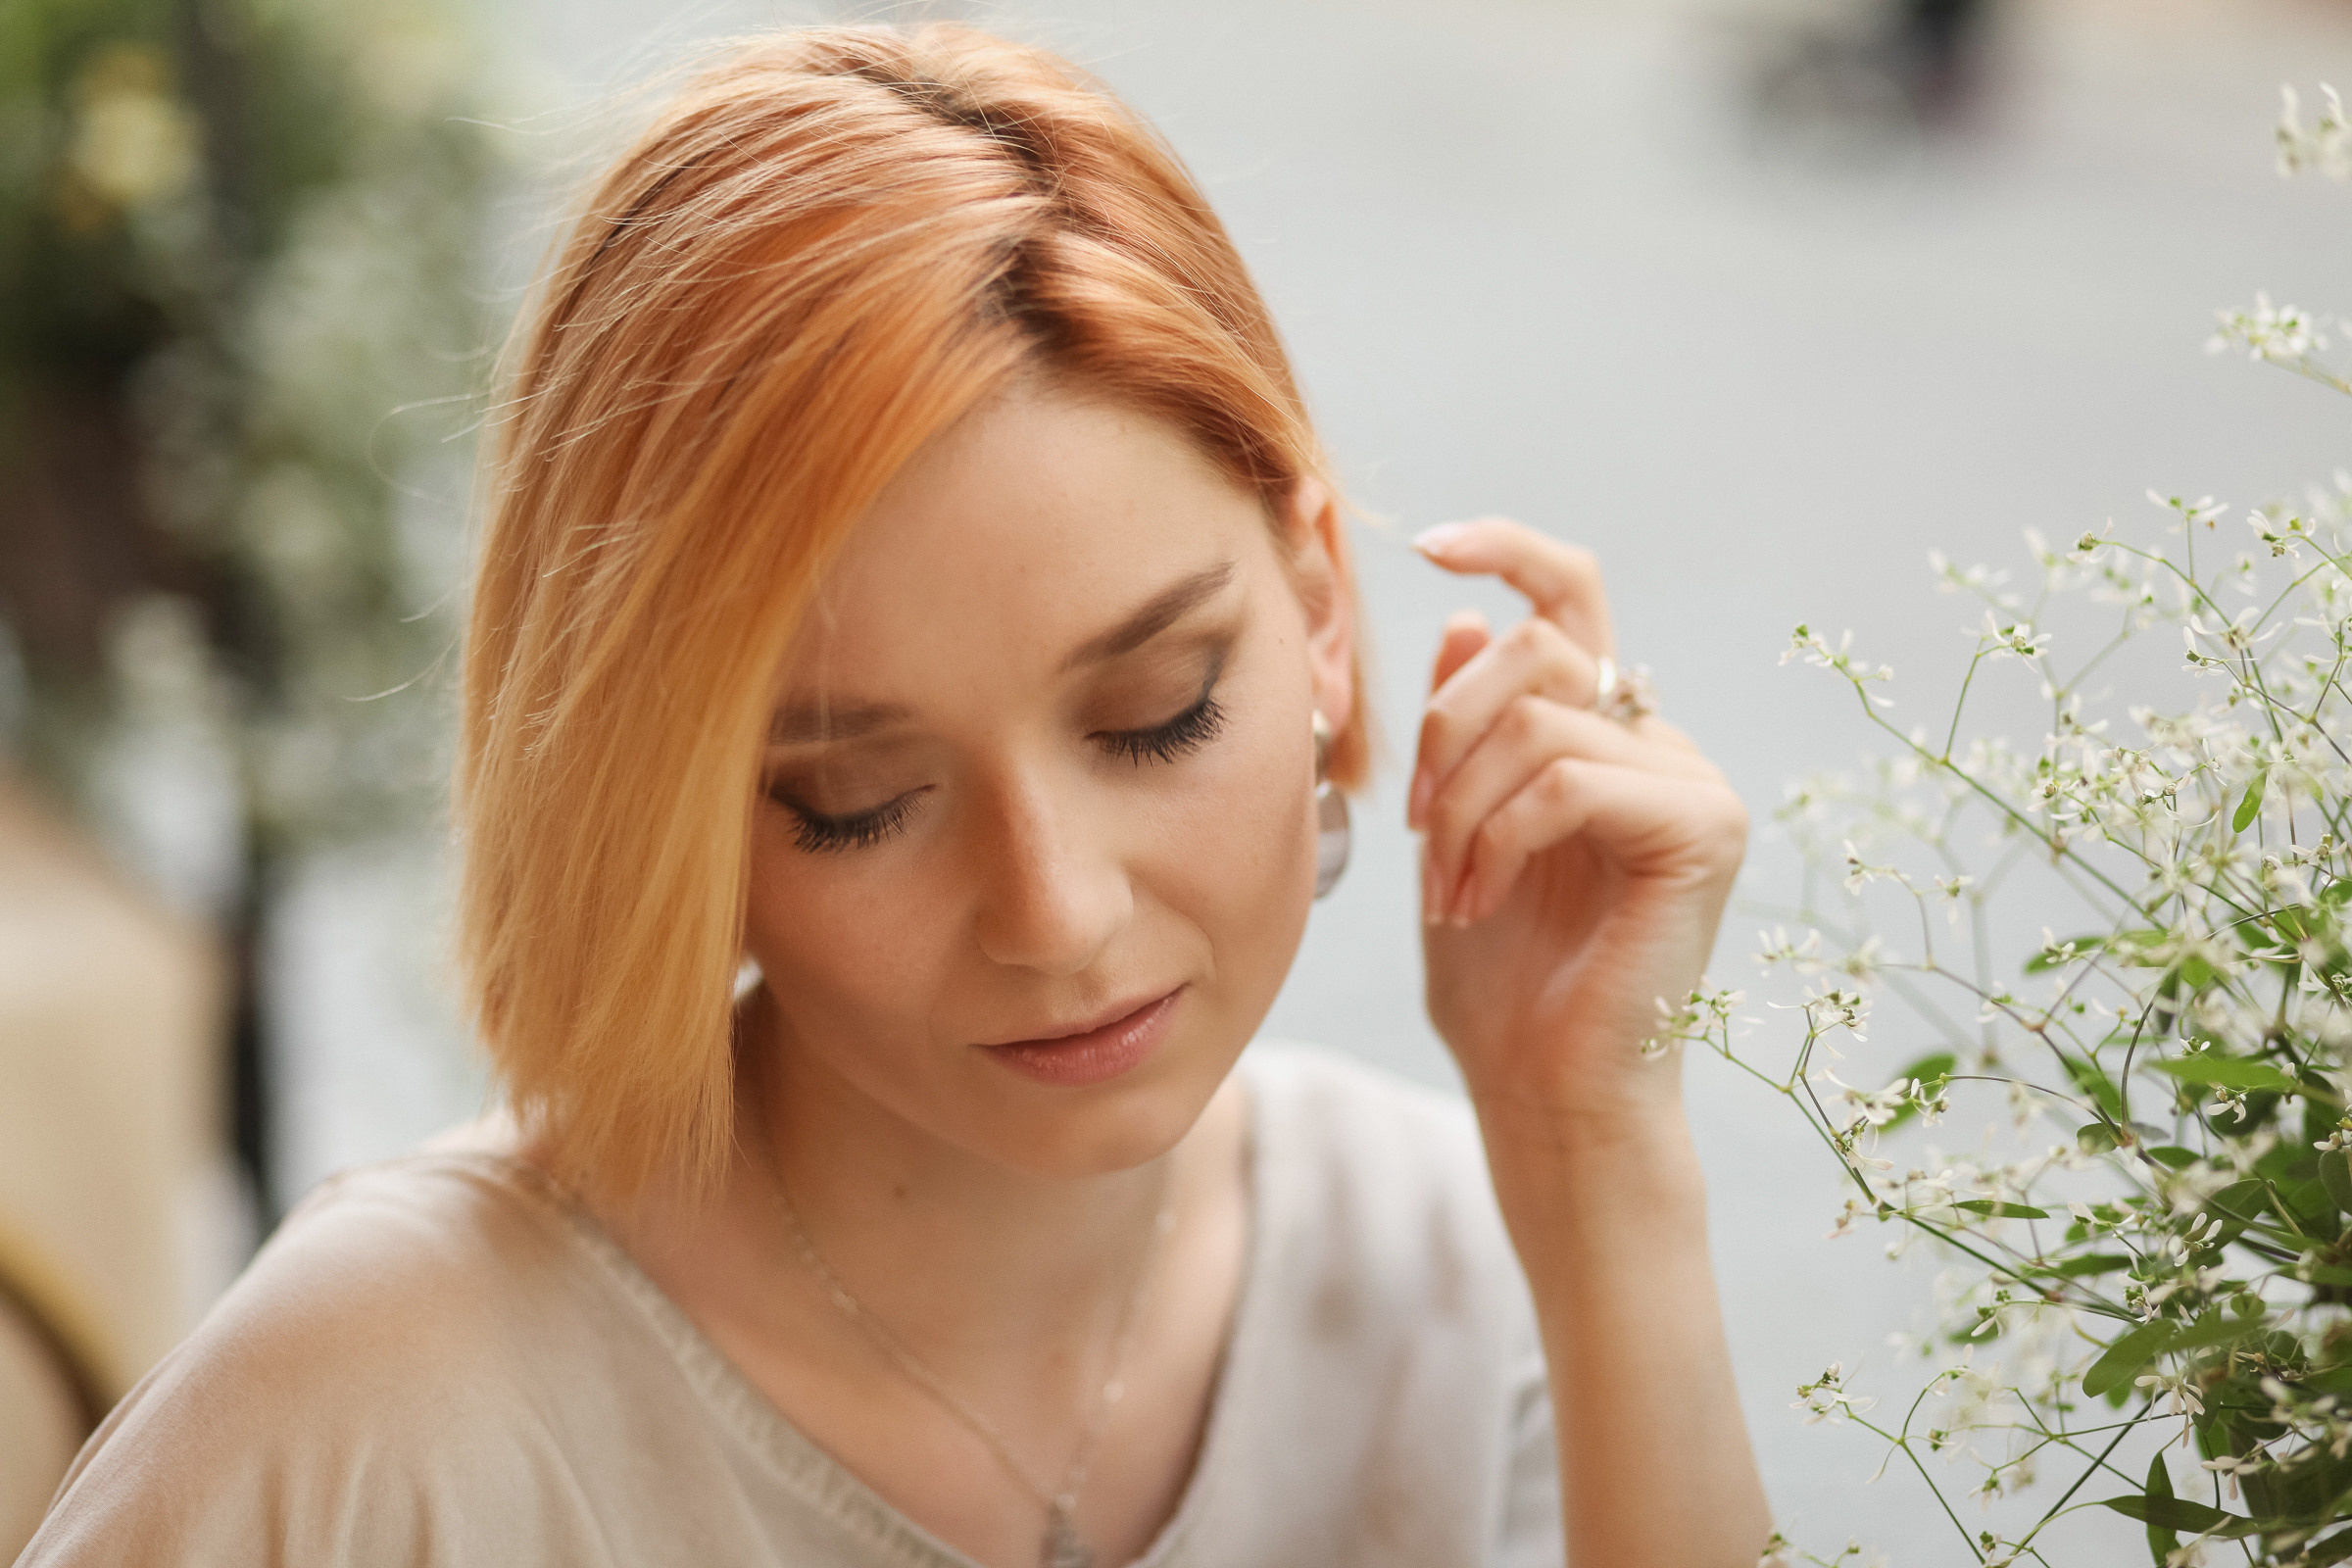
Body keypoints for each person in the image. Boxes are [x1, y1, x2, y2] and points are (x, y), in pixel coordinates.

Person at [20, 23, 1769, 1568]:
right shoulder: (367, 1426)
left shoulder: (1472, 1277)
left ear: (1319, 610)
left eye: (1157, 715)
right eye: (855, 801)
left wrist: (1595, 1160)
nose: (1057, 912)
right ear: (666, 810)